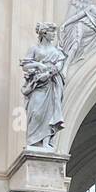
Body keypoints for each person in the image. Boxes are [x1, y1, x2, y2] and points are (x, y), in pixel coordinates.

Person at [21, 22, 66, 150]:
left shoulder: (57, 51)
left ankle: (45, 142)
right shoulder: (34, 49)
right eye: (52, 31)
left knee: (50, 114)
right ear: (44, 33)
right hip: (37, 84)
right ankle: (33, 141)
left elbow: (59, 65)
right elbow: (25, 65)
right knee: (36, 112)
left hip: (51, 84)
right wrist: (38, 66)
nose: (54, 34)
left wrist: (49, 73)